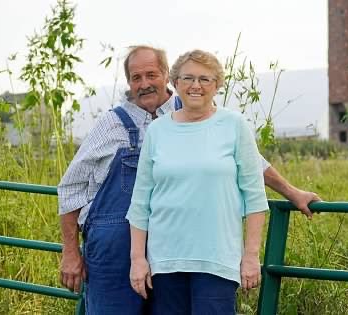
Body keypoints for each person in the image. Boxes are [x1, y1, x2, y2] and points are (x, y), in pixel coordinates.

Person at [57, 45, 320, 314]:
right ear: (129, 83)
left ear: (166, 75)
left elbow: (250, 165)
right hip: (118, 250)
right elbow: (71, 188)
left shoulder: (201, 111)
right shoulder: (110, 125)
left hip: (178, 248)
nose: (145, 84)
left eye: (151, 75)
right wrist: (70, 252)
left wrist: (291, 192)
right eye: (136, 78)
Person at [126, 49, 269, 314]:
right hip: (166, 261)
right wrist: (138, 259)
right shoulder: (158, 130)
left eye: (205, 79)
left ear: (217, 85)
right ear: (175, 82)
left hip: (217, 261)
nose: (195, 86)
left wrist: (250, 256)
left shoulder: (235, 126)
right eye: (188, 78)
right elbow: (140, 201)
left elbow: (255, 198)